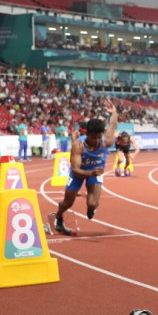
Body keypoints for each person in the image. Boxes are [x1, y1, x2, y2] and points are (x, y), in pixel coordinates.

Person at [49, 100, 117, 236]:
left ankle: (91, 209)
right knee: (68, 202)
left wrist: (113, 112)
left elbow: (113, 124)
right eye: (93, 137)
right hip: (78, 173)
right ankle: (59, 215)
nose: (97, 140)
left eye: (99, 137)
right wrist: (90, 172)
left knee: (92, 204)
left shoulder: (106, 141)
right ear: (87, 134)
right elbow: (75, 169)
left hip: (95, 173)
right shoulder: (79, 145)